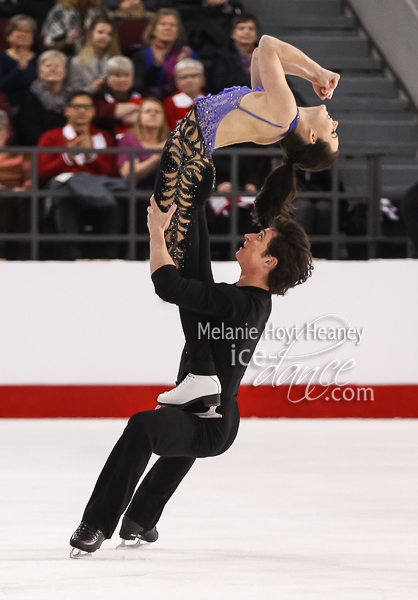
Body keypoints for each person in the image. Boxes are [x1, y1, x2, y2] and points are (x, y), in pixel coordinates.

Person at [69, 195, 314, 556]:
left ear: (269, 260)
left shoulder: (237, 303)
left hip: (212, 423)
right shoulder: (249, 299)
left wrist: (156, 233)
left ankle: (96, 525)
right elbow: (198, 271)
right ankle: (140, 519)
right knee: (176, 426)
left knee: (144, 426)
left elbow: (170, 285)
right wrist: (194, 203)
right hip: (207, 411)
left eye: (259, 237)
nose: (249, 236)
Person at [149, 33, 340, 408]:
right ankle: (200, 376)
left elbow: (268, 43)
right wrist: (313, 75)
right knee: (194, 277)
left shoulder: (283, 113)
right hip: (192, 167)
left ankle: (200, 375)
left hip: (184, 171)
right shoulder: (279, 111)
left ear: (313, 136)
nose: (336, 124)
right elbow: (260, 55)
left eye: (333, 134)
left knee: (189, 278)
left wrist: (317, 72)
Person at [38, 90, 121, 260]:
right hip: (66, 188)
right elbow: (41, 172)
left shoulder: (103, 137)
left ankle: (108, 253)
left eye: (86, 107)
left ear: (93, 111)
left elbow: (112, 172)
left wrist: (91, 156)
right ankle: (70, 252)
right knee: (64, 195)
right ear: (67, 110)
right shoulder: (51, 137)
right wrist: (68, 157)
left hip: (99, 187)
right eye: (77, 107)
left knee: (119, 195)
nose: (81, 111)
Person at [118, 97, 168, 257]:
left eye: (157, 112)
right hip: (138, 192)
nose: (153, 115)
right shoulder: (129, 140)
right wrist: (157, 155)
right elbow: (128, 173)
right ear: (139, 116)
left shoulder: (172, 141)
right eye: (148, 111)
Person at [131, 8, 198, 100]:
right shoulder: (142, 54)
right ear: (153, 30)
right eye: (163, 24)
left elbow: (199, 84)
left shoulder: (188, 54)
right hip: (152, 102)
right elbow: (139, 86)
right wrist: (156, 66)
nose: (168, 28)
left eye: (172, 25)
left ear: (178, 31)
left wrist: (183, 70)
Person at [16, 50, 68, 146]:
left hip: (67, 148)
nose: (53, 69)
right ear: (40, 73)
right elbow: (30, 132)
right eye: (48, 66)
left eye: (57, 66)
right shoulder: (29, 98)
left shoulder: (71, 98)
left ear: (64, 72)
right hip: (37, 149)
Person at [0, 109, 31, 259]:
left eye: (0, 128)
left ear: (6, 132)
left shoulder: (20, 154)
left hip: (16, 198)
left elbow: (30, 180)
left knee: (19, 199)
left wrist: (24, 188)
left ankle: (21, 253)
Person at [68, 15, 121, 92]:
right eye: (100, 32)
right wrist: (91, 89)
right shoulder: (76, 62)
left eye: (109, 34)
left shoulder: (119, 61)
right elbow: (73, 91)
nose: (104, 36)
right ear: (91, 33)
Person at [92, 56, 142, 137]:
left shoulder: (143, 94)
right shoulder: (99, 97)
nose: (123, 79)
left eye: (127, 75)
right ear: (107, 78)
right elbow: (100, 117)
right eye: (117, 75)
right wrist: (136, 107)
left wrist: (118, 114)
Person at [209, 13, 259, 93]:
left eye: (251, 29)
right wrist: (250, 73)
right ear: (233, 34)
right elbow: (219, 85)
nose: (246, 32)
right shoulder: (221, 56)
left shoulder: (265, 54)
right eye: (241, 28)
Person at [42, 0, 109, 55]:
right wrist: (67, 41)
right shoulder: (59, 11)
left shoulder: (101, 10)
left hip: (95, 56)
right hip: (65, 56)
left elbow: (111, 39)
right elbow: (48, 43)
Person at [0, 15, 38, 111]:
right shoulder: (2, 58)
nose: (23, 34)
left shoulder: (40, 59)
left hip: (34, 109)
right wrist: (19, 69)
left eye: (27, 31)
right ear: (9, 35)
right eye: (19, 30)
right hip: (7, 107)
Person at [163, 58, 205, 132]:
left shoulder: (212, 102)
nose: (189, 80)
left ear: (203, 79)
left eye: (194, 76)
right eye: (184, 77)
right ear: (176, 81)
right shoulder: (169, 104)